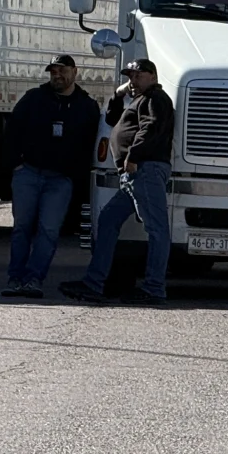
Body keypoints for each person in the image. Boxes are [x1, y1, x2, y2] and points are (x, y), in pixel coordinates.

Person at [61, 58, 173, 305]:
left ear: (153, 76)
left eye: (139, 75)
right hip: (134, 174)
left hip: (145, 169)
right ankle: (94, 283)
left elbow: (151, 128)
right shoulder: (138, 100)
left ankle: (154, 288)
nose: (133, 80)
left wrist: (134, 156)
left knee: (157, 229)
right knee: (109, 219)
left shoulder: (156, 99)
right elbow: (112, 120)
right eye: (130, 76)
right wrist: (118, 93)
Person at [1, 54, 100, 297]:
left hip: (60, 180)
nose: (57, 75)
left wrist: (75, 176)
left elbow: (90, 145)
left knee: (49, 230)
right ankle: (15, 278)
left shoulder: (87, 106)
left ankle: (34, 278)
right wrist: (16, 165)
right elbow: (12, 131)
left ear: (75, 72)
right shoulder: (34, 98)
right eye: (53, 71)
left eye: (62, 70)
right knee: (22, 227)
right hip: (28, 173)